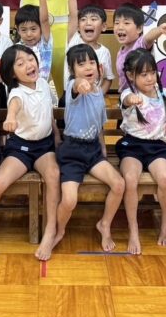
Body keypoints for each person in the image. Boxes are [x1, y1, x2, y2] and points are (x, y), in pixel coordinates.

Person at [0, 44, 61, 261]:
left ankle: (50, 230)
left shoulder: (43, 84)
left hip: (44, 146)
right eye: (20, 63)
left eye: (30, 59)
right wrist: (10, 118)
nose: (28, 65)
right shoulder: (16, 92)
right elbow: (14, 107)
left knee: (53, 175)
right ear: (12, 74)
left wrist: (56, 135)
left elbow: (48, 114)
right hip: (21, 147)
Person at [53, 44, 125, 254]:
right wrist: (80, 84)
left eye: (91, 62)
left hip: (92, 151)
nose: (88, 67)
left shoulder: (99, 94)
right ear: (72, 70)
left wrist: (102, 148)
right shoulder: (73, 88)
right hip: (72, 152)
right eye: (81, 64)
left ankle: (104, 224)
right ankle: (59, 230)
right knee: (69, 200)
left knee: (119, 184)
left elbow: (99, 125)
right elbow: (77, 86)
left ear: (99, 66)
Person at [116, 48, 166, 254]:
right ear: (131, 75)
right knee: (130, 180)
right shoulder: (128, 94)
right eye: (144, 74)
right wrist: (132, 100)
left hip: (157, 147)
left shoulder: (163, 94)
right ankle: (133, 230)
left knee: (165, 180)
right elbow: (126, 101)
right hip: (132, 145)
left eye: (152, 72)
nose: (150, 78)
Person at [62, 0, 113, 94]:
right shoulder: (74, 39)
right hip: (71, 97)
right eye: (83, 19)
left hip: (92, 97)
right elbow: (73, 14)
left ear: (104, 27)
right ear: (78, 26)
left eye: (93, 19)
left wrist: (99, 96)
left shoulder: (104, 52)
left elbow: (108, 78)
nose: (88, 22)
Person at [113, 3, 166, 96]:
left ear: (139, 28)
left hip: (143, 96)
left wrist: (160, 29)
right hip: (126, 95)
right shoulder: (120, 51)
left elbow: (149, 37)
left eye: (126, 23)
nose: (120, 27)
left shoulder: (140, 44)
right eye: (117, 23)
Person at [15, 0, 56, 95]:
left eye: (33, 29)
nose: (29, 34)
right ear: (17, 30)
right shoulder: (16, 49)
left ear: (41, 29)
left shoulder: (45, 43)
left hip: (42, 91)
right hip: (23, 92)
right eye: (24, 30)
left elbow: (44, 20)